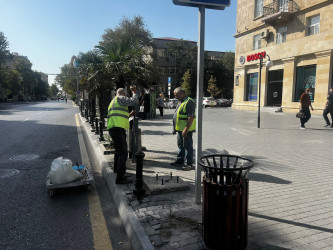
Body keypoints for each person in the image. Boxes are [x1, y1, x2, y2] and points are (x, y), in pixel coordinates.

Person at [107, 86, 138, 184]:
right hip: (117, 129)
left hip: (113, 129)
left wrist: (129, 115)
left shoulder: (113, 102)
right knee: (124, 153)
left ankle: (117, 170)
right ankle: (120, 178)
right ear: (123, 94)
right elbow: (134, 101)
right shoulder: (120, 98)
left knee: (118, 151)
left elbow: (118, 116)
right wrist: (134, 92)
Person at [171, 87, 196, 171]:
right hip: (180, 129)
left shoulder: (189, 102)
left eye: (176, 95)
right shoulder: (181, 101)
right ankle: (180, 160)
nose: (175, 97)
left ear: (182, 94)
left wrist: (186, 129)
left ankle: (189, 164)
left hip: (186, 130)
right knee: (181, 145)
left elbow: (191, 117)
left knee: (187, 146)